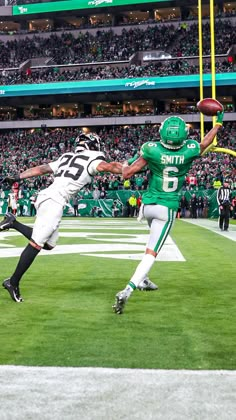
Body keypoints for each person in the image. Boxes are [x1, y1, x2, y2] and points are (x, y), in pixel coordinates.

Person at [112, 112, 224, 314]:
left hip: (147, 207)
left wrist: (129, 161)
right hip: (167, 207)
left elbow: (126, 173)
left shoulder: (151, 149)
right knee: (151, 252)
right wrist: (218, 124)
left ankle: (144, 280)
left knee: (149, 242)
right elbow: (205, 143)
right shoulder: (189, 150)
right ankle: (128, 290)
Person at [0, 132, 123, 303]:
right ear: (92, 146)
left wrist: (18, 177)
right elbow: (110, 167)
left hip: (48, 197)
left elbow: (42, 169)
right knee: (36, 244)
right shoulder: (93, 160)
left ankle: (13, 222)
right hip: (54, 200)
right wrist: (130, 168)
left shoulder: (67, 157)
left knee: (49, 244)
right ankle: (13, 282)